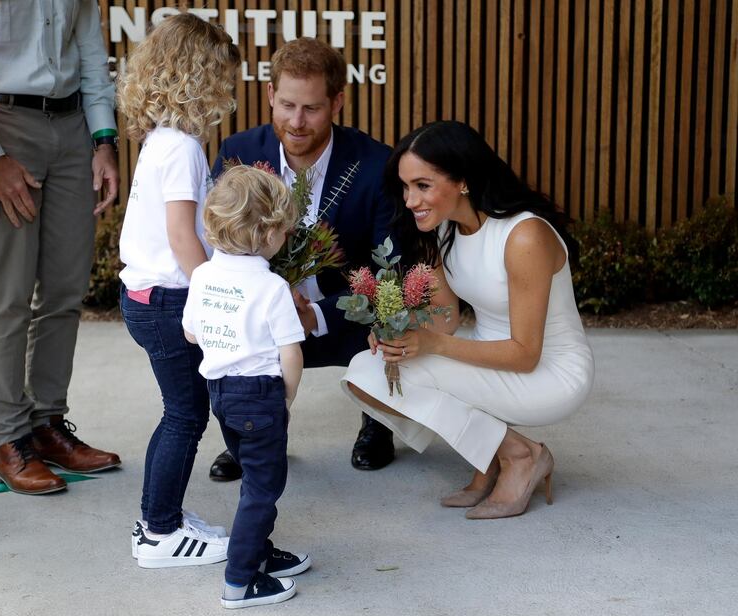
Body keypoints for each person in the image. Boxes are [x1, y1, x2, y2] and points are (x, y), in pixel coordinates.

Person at [342, 121, 595, 519]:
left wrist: (433, 346)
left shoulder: (524, 235)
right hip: (485, 358)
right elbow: (444, 323)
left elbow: (525, 354)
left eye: (423, 186)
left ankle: (521, 456)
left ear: (462, 180)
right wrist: (398, 335)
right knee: (368, 371)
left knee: (384, 373)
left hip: (549, 372)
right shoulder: (446, 231)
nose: (410, 200)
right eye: (406, 187)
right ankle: (495, 453)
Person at [208, 36, 397, 481]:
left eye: (311, 108)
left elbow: (389, 269)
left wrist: (316, 315)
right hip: (260, 318)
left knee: (396, 310)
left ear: (337, 102)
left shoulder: (375, 164)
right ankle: (251, 436)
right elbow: (220, 249)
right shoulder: (239, 153)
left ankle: (378, 418)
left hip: (343, 316)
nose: (296, 121)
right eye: (287, 104)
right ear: (271, 95)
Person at [0, 0, 121, 495]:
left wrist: (103, 140)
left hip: (72, 127)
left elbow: (90, 50)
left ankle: (47, 424)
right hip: (3, 124)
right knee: (8, 296)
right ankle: (8, 441)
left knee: (64, 288)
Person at [117, 14, 240, 567]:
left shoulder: (160, 141)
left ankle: (159, 519)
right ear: (202, 76)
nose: (230, 91)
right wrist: (214, 292)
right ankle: (159, 532)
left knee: (181, 412)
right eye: (225, 78)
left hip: (144, 296)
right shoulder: (184, 147)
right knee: (185, 416)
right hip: (167, 300)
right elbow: (181, 235)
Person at [183, 165, 311, 609]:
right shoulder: (271, 286)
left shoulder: (202, 277)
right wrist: (288, 397)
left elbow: (192, 334)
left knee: (253, 476)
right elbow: (291, 352)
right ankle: (240, 581)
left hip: (221, 394)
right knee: (263, 486)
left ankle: (259, 553)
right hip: (261, 395)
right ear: (272, 232)